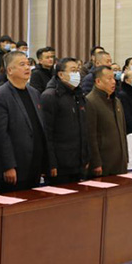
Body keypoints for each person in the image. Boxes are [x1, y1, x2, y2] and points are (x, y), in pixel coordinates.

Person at [0, 51, 46, 191]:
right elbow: (0, 134)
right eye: (22, 64)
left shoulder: (34, 93)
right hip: (16, 166)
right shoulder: (0, 96)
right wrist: (8, 166)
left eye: (28, 64)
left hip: (35, 163)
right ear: (10, 70)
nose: (27, 67)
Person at [40, 57, 89, 185]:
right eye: (73, 71)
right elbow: (47, 133)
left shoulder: (78, 95)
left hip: (78, 162)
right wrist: (51, 163)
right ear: (61, 74)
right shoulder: (50, 96)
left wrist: (85, 158)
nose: (77, 74)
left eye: (77, 70)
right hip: (60, 164)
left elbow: (84, 129)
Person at [85, 66, 128, 177]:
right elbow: (90, 136)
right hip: (103, 162)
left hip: (120, 161)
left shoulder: (116, 101)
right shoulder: (90, 101)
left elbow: (123, 130)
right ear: (98, 81)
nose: (113, 82)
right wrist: (96, 162)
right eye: (109, 79)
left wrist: (126, 157)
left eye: (114, 78)